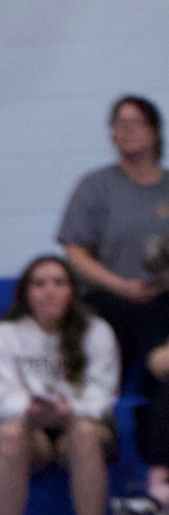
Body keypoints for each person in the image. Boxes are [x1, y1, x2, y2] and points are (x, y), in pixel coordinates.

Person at [0, 255, 120, 515]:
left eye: (59, 283)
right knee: (10, 433)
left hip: (83, 425)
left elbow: (103, 393)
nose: (50, 291)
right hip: (33, 430)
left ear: (72, 290)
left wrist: (70, 409)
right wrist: (30, 408)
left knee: (83, 432)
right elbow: (3, 393)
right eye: (40, 284)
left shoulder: (96, 331)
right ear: (27, 293)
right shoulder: (6, 333)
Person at [59, 96, 169, 385]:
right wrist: (121, 286)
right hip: (107, 300)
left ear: (155, 130)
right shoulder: (95, 186)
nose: (127, 130)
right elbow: (75, 251)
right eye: (120, 124)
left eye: (135, 122)